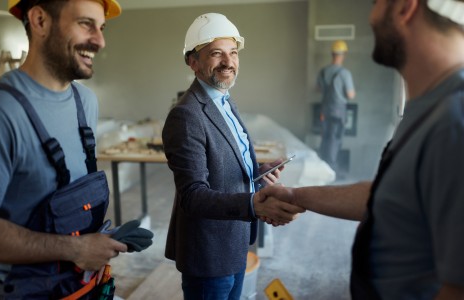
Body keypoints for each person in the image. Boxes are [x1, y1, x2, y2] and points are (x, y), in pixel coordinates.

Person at [261, 0, 464, 298]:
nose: (370, 17)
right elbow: (390, 195)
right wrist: (296, 195)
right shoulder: (429, 106)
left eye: (376, 3)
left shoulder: (455, 120)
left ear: (405, 7)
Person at [0, 0, 128, 298]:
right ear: (39, 21)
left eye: (101, 28)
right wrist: (77, 249)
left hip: (80, 285)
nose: (100, 41)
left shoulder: (85, 102)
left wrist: (96, 243)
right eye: (86, 24)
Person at [162, 12, 303, 300]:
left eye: (233, 52)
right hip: (209, 254)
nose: (228, 62)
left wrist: (257, 174)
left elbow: (227, 165)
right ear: (193, 62)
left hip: (235, 241)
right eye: (216, 53)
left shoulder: (224, 100)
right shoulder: (186, 116)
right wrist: (255, 204)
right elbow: (193, 195)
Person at [317, 40, 356, 176]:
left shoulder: (323, 72)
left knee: (325, 139)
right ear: (343, 54)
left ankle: (322, 169)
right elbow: (351, 95)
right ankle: (330, 172)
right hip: (338, 112)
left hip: (324, 111)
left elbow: (319, 89)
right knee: (334, 141)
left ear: (332, 54)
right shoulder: (345, 73)